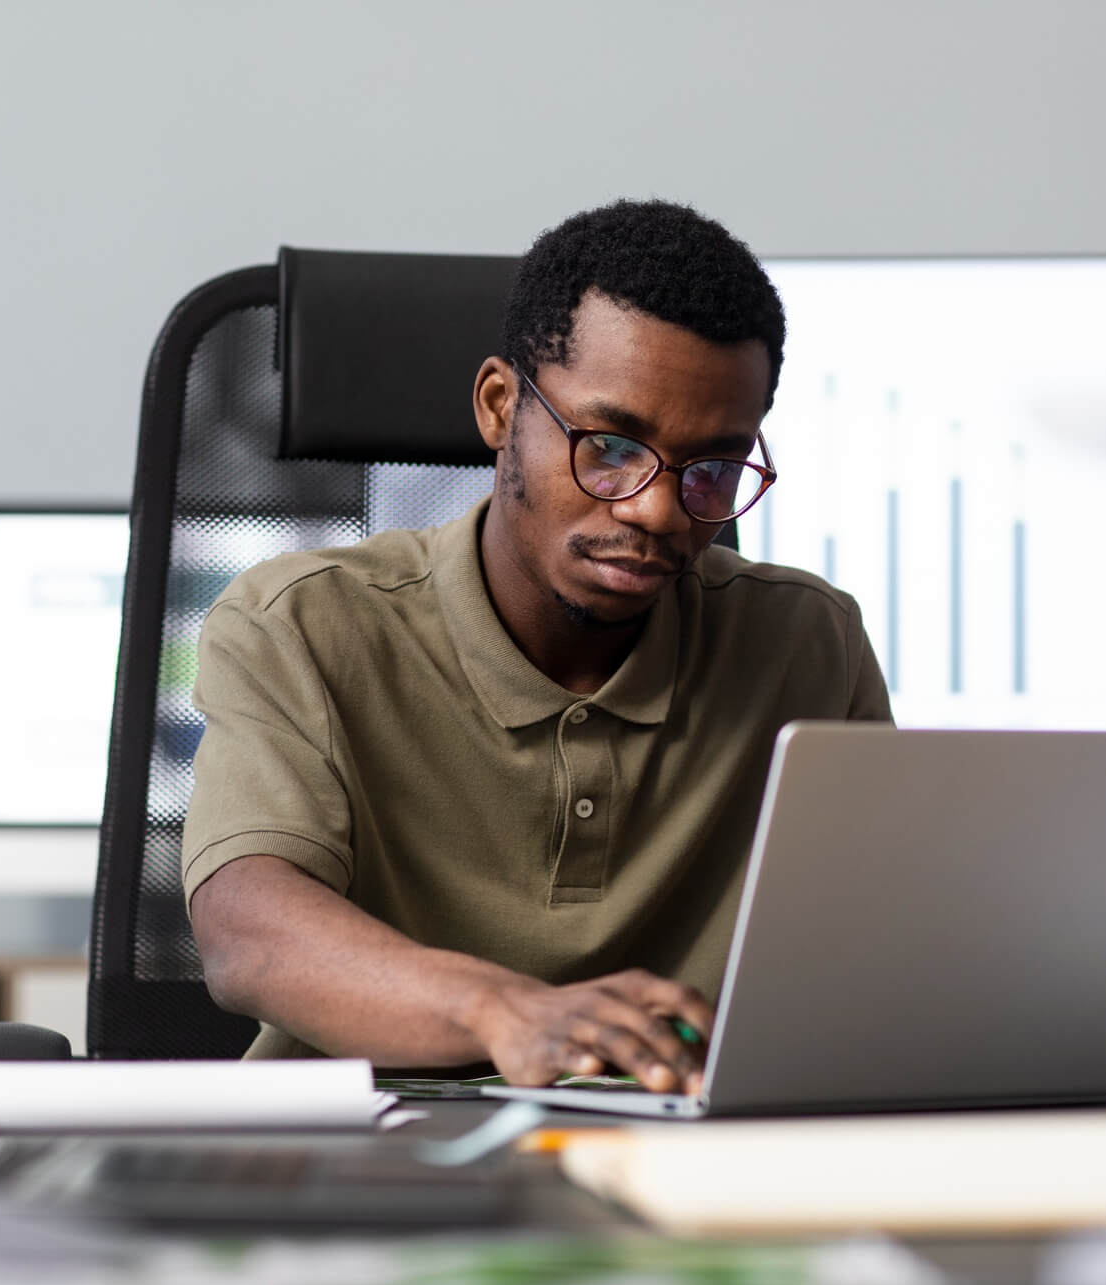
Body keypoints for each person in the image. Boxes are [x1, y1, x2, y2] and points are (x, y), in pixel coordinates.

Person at [182, 200, 890, 1095]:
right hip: (375, 1165)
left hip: (684, 1176)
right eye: (610, 447)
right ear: (499, 406)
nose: (656, 510)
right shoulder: (300, 625)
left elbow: (880, 956)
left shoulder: (810, 646)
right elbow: (246, 932)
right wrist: (501, 1009)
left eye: (713, 468)